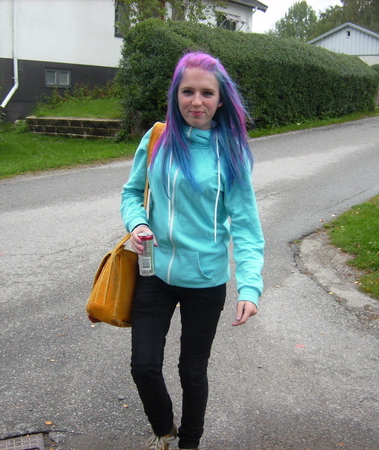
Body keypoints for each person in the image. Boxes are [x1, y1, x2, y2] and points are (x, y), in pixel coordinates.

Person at [120, 51, 265, 450]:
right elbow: (132, 193)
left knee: (192, 370)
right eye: (188, 91)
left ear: (220, 100)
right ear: (176, 94)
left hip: (205, 281)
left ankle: (189, 443)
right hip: (154, 272)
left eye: (206, 93)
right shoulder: (157, 139)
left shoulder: (230, 152)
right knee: (143, 366)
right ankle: (164, 430)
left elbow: (247, 226)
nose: (196, 101)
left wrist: (249, 287)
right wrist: (138, 223)